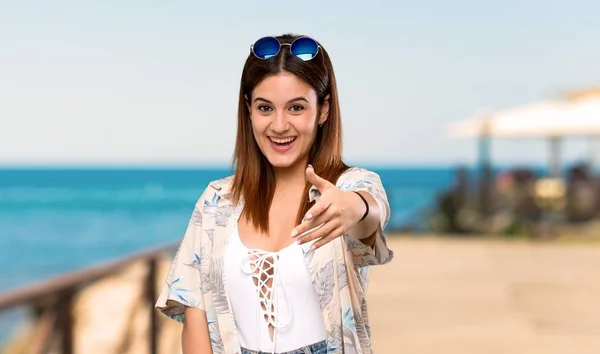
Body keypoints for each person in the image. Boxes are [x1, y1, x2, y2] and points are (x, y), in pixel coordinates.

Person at [155, 33, 394, 354]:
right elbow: (195, 316)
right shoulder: (215, 201)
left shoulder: (346, 187)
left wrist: (354, 207)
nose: (279, 125)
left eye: (296, 107)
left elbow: (370, 208)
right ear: (248, 109)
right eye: (265, 107)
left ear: (323, 110)